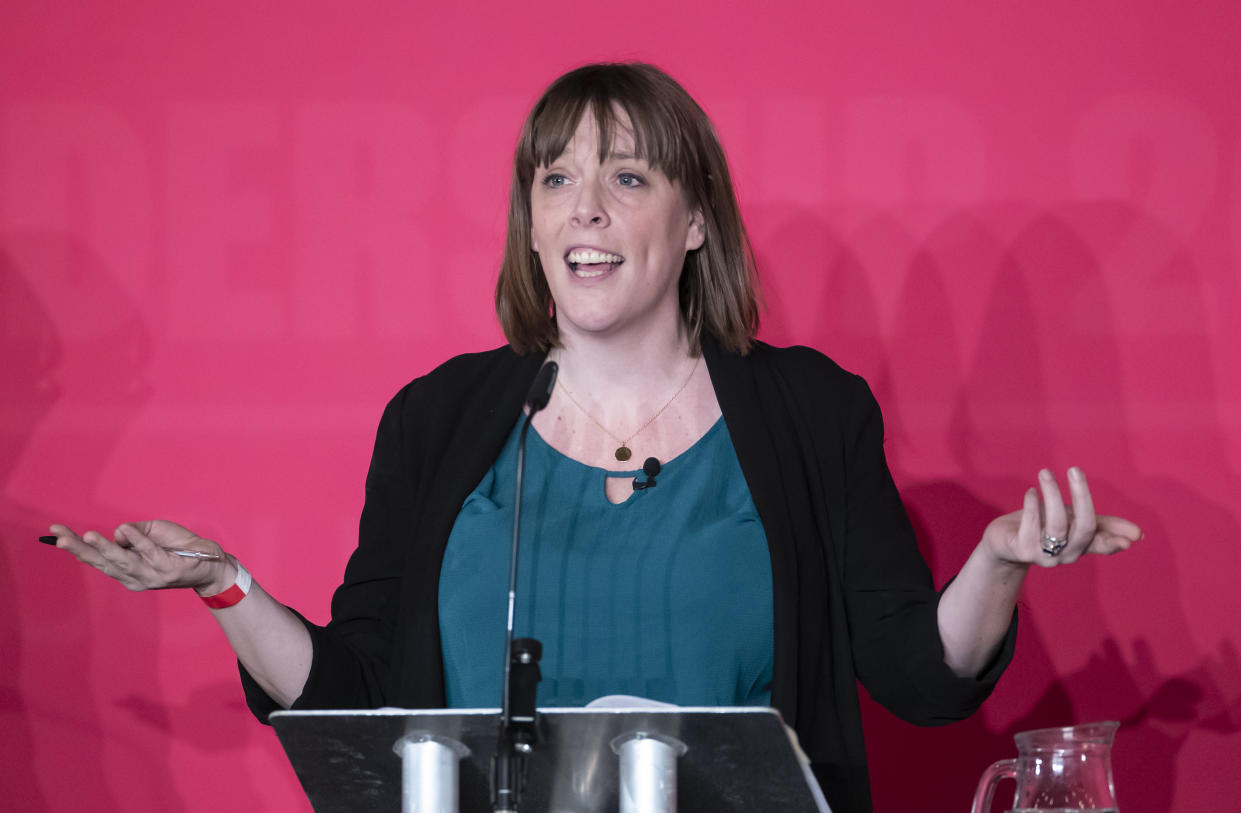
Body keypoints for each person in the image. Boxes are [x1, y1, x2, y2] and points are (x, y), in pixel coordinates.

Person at [46, 62, 1142, 813]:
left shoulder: (808, 412)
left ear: (695, 219)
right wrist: (227, 585)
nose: (584, 210)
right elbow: (360, 700)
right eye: (555, 178)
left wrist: (997, 564)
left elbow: (919, 676)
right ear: (528, 222)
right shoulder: (440, 421)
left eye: (626, 179)